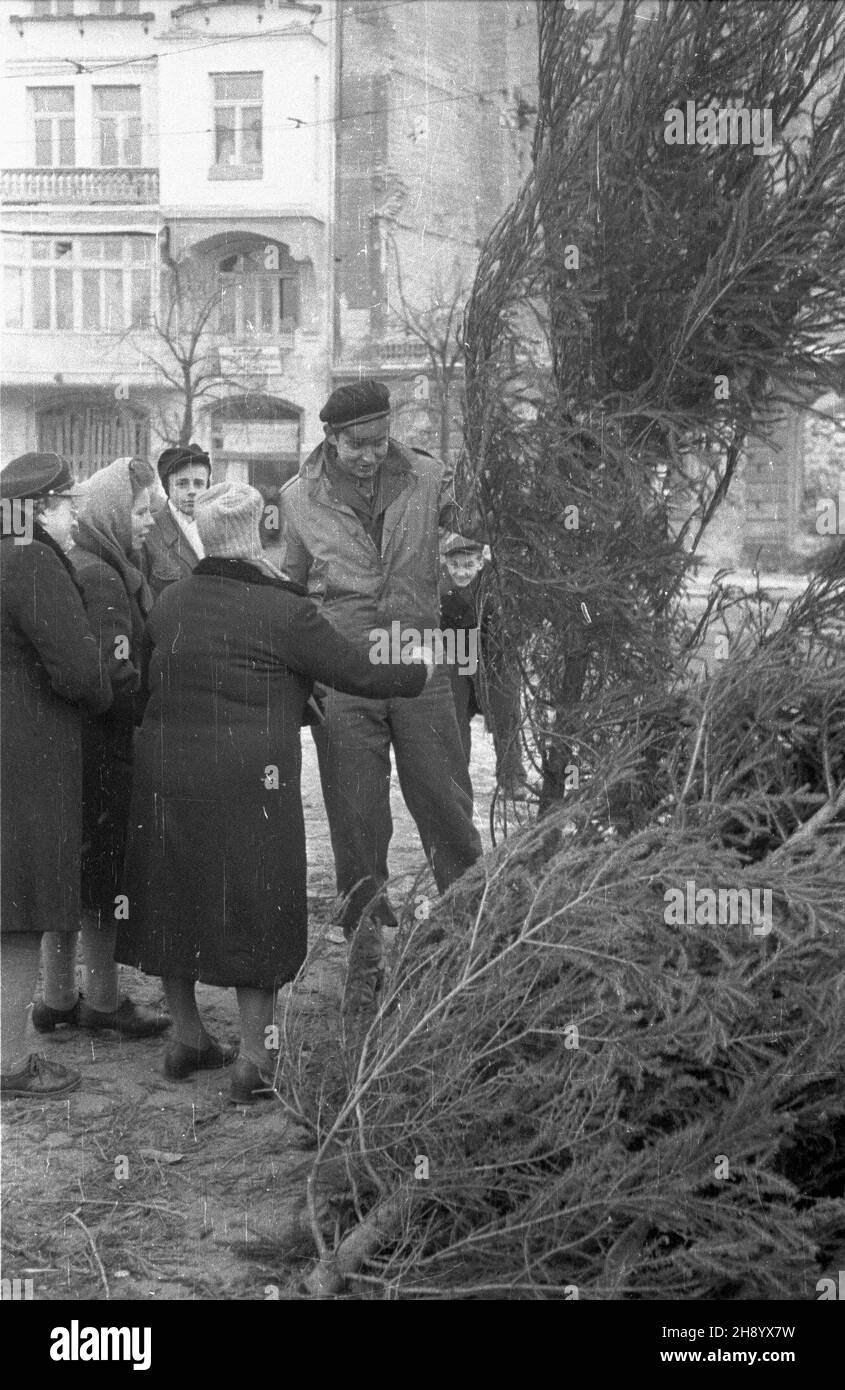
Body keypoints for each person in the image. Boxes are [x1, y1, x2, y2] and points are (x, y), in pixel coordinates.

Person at [115, 482, 431, 1103]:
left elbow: (154, 675)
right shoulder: (286, 610)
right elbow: (357, 672)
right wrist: (419, 661)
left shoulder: (171, 602)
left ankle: (187, 1036)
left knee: (176, 892)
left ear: (205, 534)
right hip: (248, 780)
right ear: (260, 535)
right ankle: (256, 1061)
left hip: (166, 772)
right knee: (257, 901)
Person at [277, 379, 483, 941]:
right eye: (358, 445)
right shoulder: (297, 498)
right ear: (331, 437)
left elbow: (476, 527)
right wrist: (308, 682)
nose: (371, 455)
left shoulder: (429, 476)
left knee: (444, 800)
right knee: (356, 816)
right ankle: (364, 935)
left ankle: (471, 920)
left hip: (421, 669)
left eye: (380, 440)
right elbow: (293, 592)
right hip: (345, 676)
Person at [35, 456, 169, 1040]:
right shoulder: (105, 577)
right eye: (140, 513)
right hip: (104, 745)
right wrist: (146, 711)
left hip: (69, 745)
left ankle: (58, 997)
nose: (147, 525)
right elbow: (114, 674)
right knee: (103, 879)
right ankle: (105, 1001)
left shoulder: (82, 559)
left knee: (72, 874)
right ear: (114, 512)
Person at [1, 453, 112, 1100]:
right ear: (43, 507)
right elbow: (79, 675)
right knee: (19, 908)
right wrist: (102, 687)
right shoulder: (33, 561)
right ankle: (11, 1064)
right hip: (26, 761)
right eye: (69, 503)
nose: (75, 515)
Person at [439, 533, 528, 798]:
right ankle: (455, 781)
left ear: (480, 562)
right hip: (458, 647)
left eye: (468, 565)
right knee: (454, 714)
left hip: (495, 650)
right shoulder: (440, 586)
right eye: (455, 565)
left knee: (505, 714)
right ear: (445, 562)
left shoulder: (495, 582)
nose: (461, 572)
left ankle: (512, 779)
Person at [140, 442, 211, 600]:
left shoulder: (217, 528)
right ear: (167, 487)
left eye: (199, 483)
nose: (192, 491)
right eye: (182, 483)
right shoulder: (149, 531)